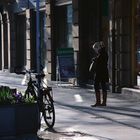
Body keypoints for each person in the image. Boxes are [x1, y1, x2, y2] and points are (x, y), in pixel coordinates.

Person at [91, 41, 109, 107]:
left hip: (99, 72)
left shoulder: (101, 54)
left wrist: (94, 59)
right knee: (103, 86)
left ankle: (98, 102)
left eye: (96, 49)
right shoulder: (104, 53)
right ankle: (103, 102)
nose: (95, 50)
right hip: (104, 72)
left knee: (96, 85)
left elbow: (99, 61)